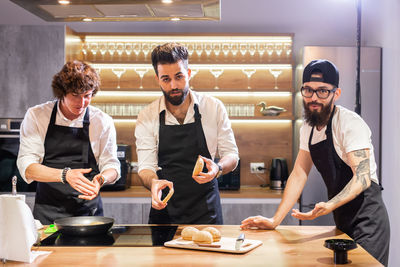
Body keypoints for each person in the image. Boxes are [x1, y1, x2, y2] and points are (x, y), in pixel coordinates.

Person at [240, 59, 390, 266]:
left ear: (336, 94)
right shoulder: (308, 129)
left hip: (369, 221)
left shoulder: (349, 123)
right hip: (342, 221)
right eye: (308, 90)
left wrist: (330, 205)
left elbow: (362, 177)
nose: (314, 98)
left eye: (322, 91)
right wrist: (275, 220)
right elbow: (299, 172)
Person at [135, 42, 239, 224]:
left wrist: (218, 168)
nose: (174, 85)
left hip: (206, 211)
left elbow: (231, 154)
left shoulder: (213, 108)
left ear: (189, 74)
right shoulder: (147, 116)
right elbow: (145, 167)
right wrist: (153, 183)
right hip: (164, 209)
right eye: (166, 79)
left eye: (179, 76)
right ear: (157, 79)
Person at [17, 60, 120, 225]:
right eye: (75, 96)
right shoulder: (37, 116)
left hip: (88, 216)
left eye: (87, 96)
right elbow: (27, 167)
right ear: (62, 92)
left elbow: (112, 165)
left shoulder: (102, 121)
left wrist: (101, 180)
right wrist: (65, 175)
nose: (82, 103)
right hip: (47, 215)